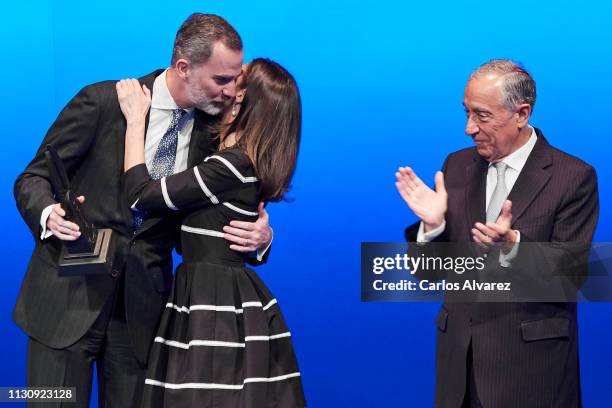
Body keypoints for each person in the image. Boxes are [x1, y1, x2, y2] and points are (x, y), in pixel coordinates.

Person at [13, 14, 273, 407]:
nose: (230, 92)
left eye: (234, 80)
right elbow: (32, 178)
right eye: (221, 80)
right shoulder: (104, 102)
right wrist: (49, 214)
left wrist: (261, 238)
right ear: (184, 67)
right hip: (67, 297)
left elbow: (221, 213)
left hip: (142, 314)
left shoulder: (215, 132)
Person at [396, 60, 598, 407]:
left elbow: (571, 276)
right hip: (458, 371)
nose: (468, 128)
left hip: (532, 375)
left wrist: (515, 247)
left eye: (482, 115)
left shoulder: (572, 177)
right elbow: (427, 274)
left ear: (522, 114)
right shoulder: (455, 167)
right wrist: (433, 228)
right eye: (466, 113)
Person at [116, 57, 305, 407]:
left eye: (237, 80)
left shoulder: (230, 165)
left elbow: (142, 196)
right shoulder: (234, 160)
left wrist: (134, 122)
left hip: (213, 300)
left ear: (243, 99)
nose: (227, 85)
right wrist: (265, 238)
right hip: (209, 292)